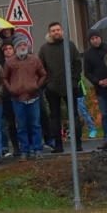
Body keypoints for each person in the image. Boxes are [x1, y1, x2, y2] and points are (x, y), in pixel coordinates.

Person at [39, 22, 83, 153]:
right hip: (52, 89)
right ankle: (58, 145)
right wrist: (47, 84)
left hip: (70, 87)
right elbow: (41, 68)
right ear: (49, 33)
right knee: (54, 117)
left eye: (58, 29)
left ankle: (78, 144)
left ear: (62, 31)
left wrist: (74, 80)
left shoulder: (69, 45)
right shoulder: (44, 49)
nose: (56, 32)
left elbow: (77, 63)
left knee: (73, 115)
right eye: (53, 30)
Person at [2, 40, 49, 157]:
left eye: (24, 45)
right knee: (21, 126)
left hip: (33, 97)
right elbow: (4, 78)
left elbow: (43, 74)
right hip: (17, 99)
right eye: (19, 45)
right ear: (15, 48)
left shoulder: (35, 59)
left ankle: (37, 149)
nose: (22, 47)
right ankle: (24, 150)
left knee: (35, 125)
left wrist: (37, 86)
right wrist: (11, 88)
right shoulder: (10, 62)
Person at [84, 30, 107, 149]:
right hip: (100, 89)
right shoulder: (88, 54)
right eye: (92, 39)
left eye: (96, 37)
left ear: (100, 37)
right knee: (105, 114)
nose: (95, 40)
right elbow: (87, 72)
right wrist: (98, 81)